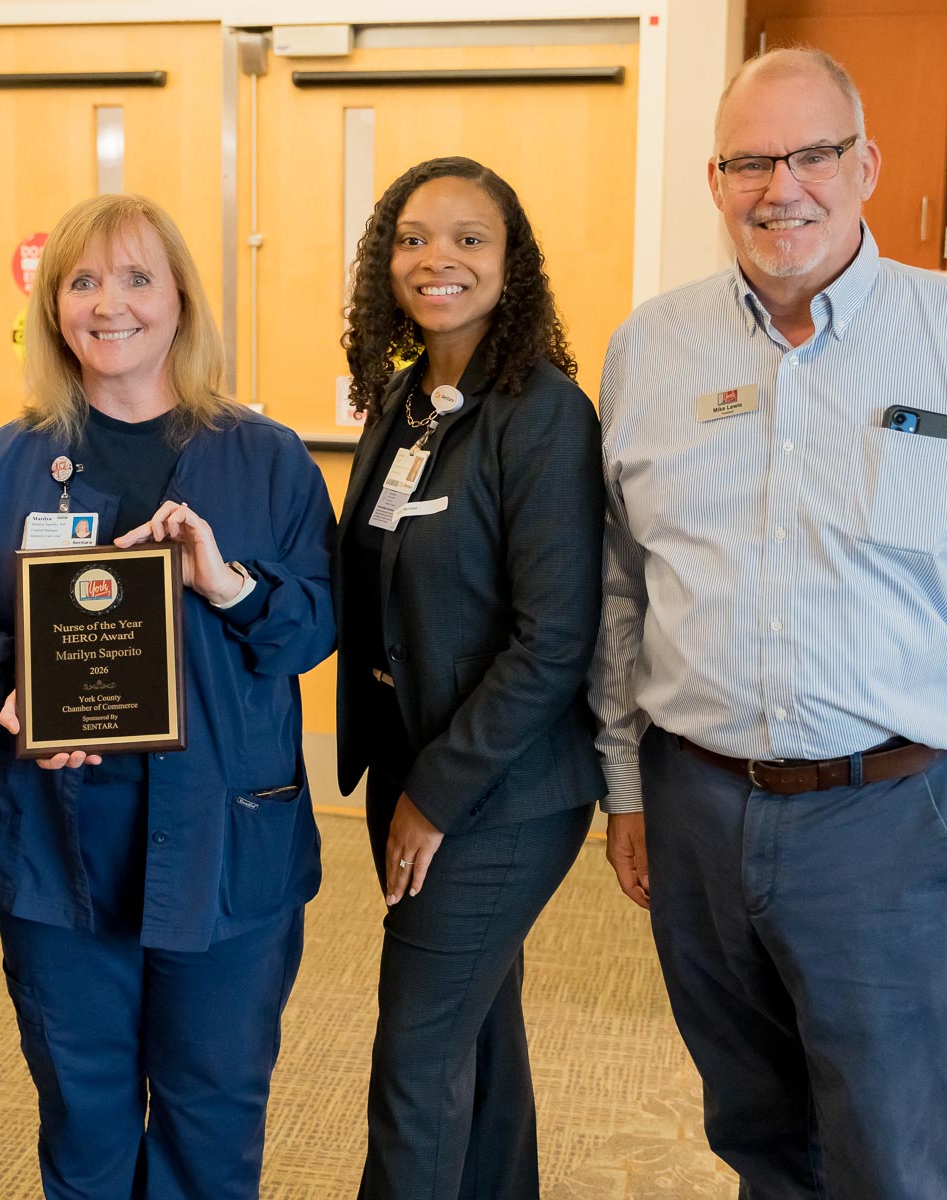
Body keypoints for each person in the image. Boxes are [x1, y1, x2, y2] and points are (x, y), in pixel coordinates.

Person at [590, 48, 947, 1198]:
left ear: (866, 165)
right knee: (757, 1132)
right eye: (751, 162)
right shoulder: (650, 350)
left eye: (814, 154)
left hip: (882, 818)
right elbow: (623, 593)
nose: (783, 188)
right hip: (694, 804)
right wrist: (626, 788)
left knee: (889, 1150)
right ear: (714, 179)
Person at [0, 192, 334, 1198]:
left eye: (136, 278)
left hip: (226, 845)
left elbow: (315, 627)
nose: (108, 304)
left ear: (181, 299)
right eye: (82, 281)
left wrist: (229, 585)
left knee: (212, 1121)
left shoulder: (267, 457)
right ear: (53, 307)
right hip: (57, 845)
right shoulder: (6, 461)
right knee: (85, 1124)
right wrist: (13, 684)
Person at [334, 156, 604, 1199]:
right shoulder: (405, 401)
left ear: (511, 263)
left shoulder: (541, 412)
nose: (435, 258)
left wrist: (435, 797)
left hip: (497, 792)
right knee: (475, 1030)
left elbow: (555, 639)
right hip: (410, 762)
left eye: (468, 239)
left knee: (416, 1059)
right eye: (412, 239)